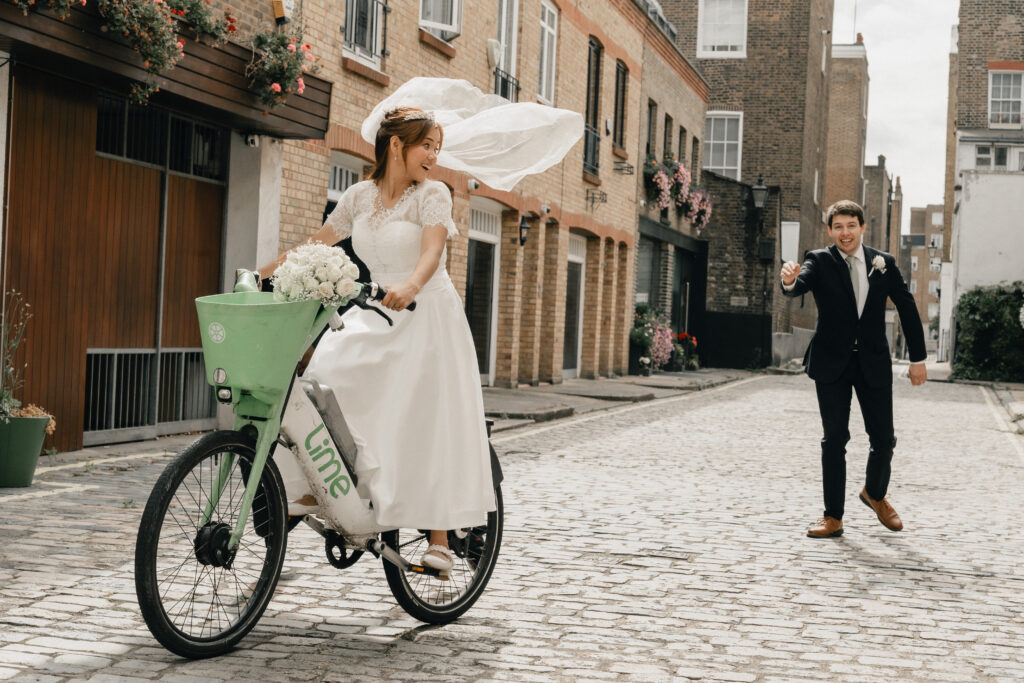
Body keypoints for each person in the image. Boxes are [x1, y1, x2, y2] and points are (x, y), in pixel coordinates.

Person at [256, 107, 492, 574]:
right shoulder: (360, 196)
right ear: (397, 145)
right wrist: (265, 271)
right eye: (427, 145)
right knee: (323, 377)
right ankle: (319, 485)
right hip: (376, 311)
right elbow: (319, 243)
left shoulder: (433, 195)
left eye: (437, 147)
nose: (434, 155)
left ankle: (440, 537)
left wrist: (411, 286)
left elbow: (431, 252)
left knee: (421, 413)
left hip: (426, 313)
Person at [780, 200, 927, 539]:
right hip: (831, 362)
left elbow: (906, 308)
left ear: (862, 227)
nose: (845, 233)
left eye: (851, 225)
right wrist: (789, 281)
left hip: (872, 362)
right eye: (838, 227)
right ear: (829, 230)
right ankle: (832, 516)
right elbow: (798, 285)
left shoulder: (884, 263)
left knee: (884, 439)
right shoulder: (819, 260)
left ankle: (874, 493)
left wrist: (918, 360)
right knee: (835, 439)